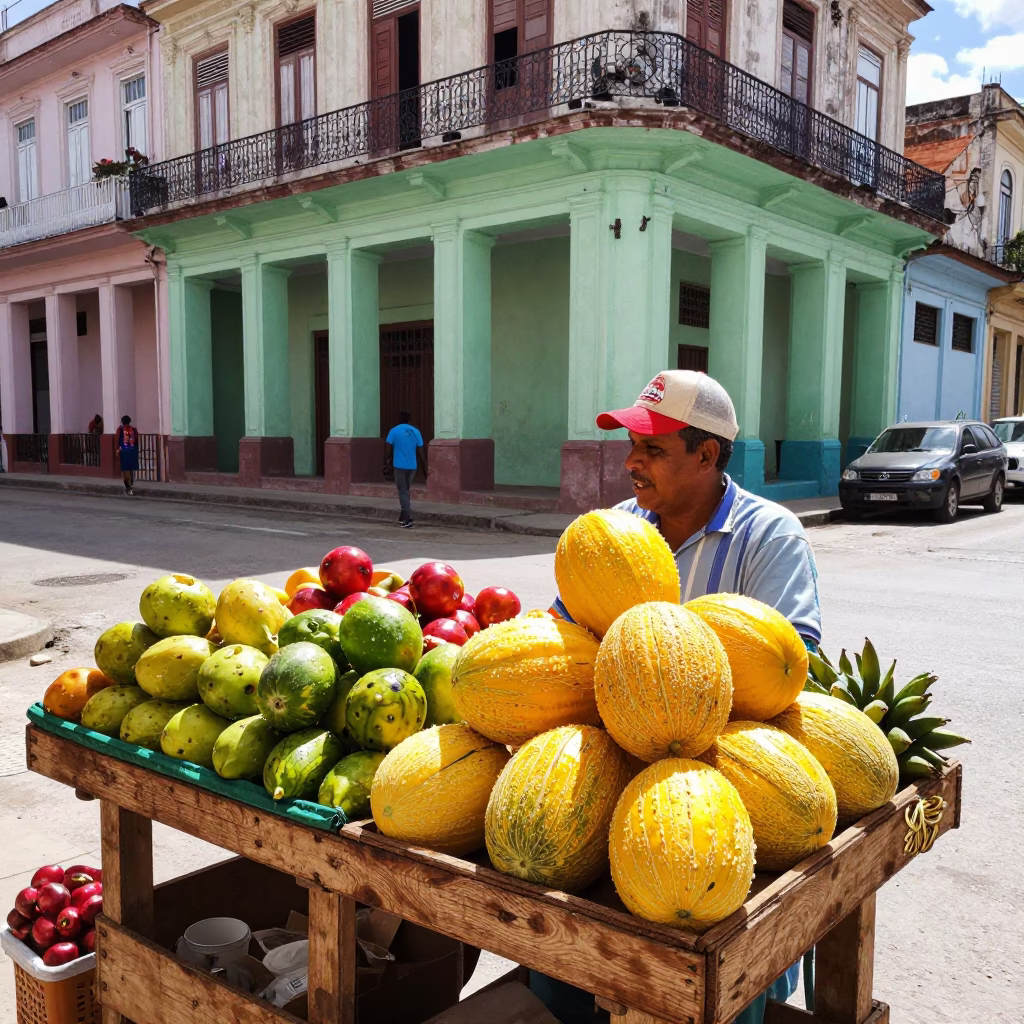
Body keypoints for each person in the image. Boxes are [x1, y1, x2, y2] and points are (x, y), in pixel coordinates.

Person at [541, 369, 819, 1024]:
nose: (632, 463)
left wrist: (668, 676)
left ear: (707, 455)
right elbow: (563, 638)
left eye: (654, 450)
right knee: (560, 959)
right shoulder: (613, 529)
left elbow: (792, 667)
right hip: (612, 777)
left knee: (723, 981)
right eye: (631, 447)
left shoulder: (770, 535)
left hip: (725, 787)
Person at [384, 412, 426, 528]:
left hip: (399, 466)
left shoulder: (394, 431)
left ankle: (408, 518)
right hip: (412, 467)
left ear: (399, 419)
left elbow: (388, 448)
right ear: (409, 419)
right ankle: (403, 515)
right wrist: (425, 469)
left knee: (403, 491)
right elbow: (421, 452)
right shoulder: (415, 432)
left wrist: (386, 463)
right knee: (405, 490)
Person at [115, 415, 139, 496]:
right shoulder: (134, 430)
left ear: (122, 421)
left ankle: (128, 488)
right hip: (132, 451)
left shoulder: (120, 429)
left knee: (125, 470)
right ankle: (131, 484)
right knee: (131, 469)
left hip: (124, 452)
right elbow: (136, 440)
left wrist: (117, 450)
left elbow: (117, 440)